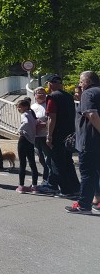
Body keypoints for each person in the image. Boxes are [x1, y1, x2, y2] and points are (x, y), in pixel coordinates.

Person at [65, 71, 100, 214]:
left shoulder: (88, 93)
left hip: (90, 142)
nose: (80, 84)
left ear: (87, 81)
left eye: (81, 81)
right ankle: (97, 200)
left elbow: (92, 114)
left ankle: (84, 205)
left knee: (88, 174)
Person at [39, 75, 80, 197]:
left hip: (58, 134)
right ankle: (75, 187)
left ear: (50, 84)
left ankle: (66, 190)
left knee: (57, 162)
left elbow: (52, 117)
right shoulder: (68, 96)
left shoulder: (52, 97)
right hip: (69, 134)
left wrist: (49, 135)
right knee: (68, 161)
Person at [15, 97, 39, 193]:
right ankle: (34, 186)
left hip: (24, 139)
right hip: (31, 140)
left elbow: (25, 122)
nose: (18, 109)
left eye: (19, 107)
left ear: (25, 107)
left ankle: (21, 186)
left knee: (22, 163)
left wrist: (19, 129)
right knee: (32, 163)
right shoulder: (32, 114)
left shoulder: (24, 114)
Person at [31, 87, 50, 185]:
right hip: (35, 136)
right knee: (41, 158)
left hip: (45, 135)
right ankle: (46, 179)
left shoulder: (48, 105)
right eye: (39, 93)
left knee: (48, 158)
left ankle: (48, 180)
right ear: (34, 95)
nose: (41, 95)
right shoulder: (32, 107)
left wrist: (45, 125)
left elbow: (52, 118)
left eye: (43, 93)